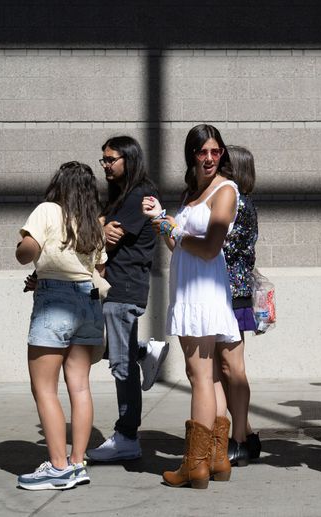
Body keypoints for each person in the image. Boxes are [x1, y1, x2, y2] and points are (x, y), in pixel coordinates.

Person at [143, 124, 240, 489]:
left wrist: (175, 230)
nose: (210, 158)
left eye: (216, 151)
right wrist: (162, 223)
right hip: (189, 289)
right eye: (203, 152)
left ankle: (195, 463)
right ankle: (216, 458)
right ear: (192, 155)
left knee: (199, 376)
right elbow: (179, 247)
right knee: (208, 375)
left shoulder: (225, 190)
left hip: (204, 293)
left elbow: (210, 246)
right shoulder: (192, 193)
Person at [15, 162, 106, 490]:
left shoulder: (47, 210)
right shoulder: (93, 224)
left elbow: (27, 252)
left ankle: (57, 466)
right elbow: (99, 271)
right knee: (79, 386)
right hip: (89, 300)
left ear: (60, 184)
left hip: (56, 302)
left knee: (44, 388)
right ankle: (78, 462)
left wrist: (24, 246)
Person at [86, 136, 168, 463]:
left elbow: (105, 234)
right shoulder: (121, 196)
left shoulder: (140, 196)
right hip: (113, 288)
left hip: (124, 288)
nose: (104, 165)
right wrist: (100, 227)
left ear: (128, 160)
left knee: (122, 365)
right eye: (103, 159)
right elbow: (99, 232)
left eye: (111, 159)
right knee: (95, 346)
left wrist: (99, 228)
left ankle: (127, 435)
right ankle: (146, 351)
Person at [218, 145, 262, 465]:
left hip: (231, 291)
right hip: (229, 290)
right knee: (226, 367)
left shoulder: (238, 204)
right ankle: (245, 432)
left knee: (232, 367)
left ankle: (239, 440)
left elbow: (221, 245)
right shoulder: (239, 201)